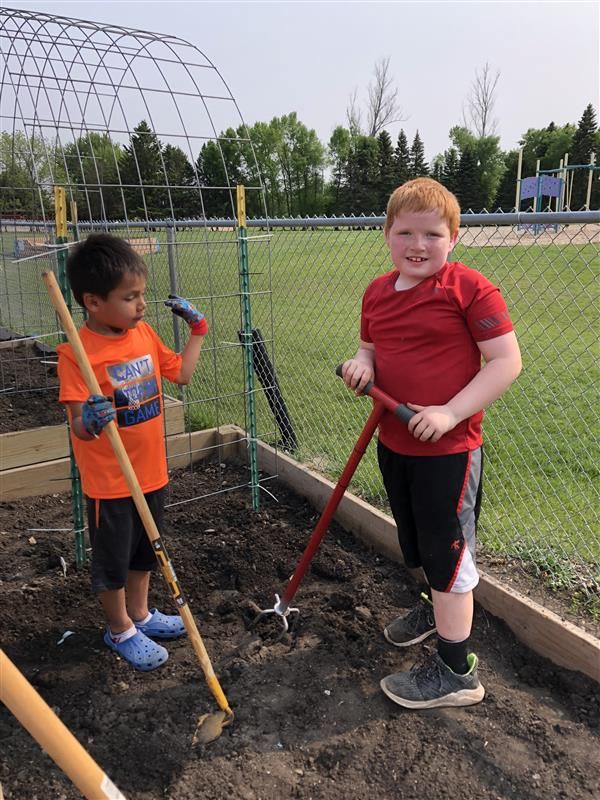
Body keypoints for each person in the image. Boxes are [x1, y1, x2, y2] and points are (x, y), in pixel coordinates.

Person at [341, 178, 522, 709]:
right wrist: (361, 366)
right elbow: (368, 350)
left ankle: (456, 668)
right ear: (386, 234)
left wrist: (448, 413)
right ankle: (433, 609)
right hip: (394, 439)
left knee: (448, 554)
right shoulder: (377, 291)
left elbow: (507, 362)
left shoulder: (470, 289)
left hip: (449, 452)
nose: (417, 245)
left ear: (453, 239)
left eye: (432, 234)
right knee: (415, 543)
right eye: (405, 232)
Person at [56, 233, 208, 672]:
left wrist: (198, 330)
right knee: (113, 562)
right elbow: (79, 430)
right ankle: (119, 627)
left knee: (145, 552)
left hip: (151, 473)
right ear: (93, 301)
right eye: (130, 297)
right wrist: (91, 419)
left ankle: (140, 614)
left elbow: (179, 374)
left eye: (141, 294)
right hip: (111, 483)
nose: (141, 305)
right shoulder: (77, 354)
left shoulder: (141, 332)